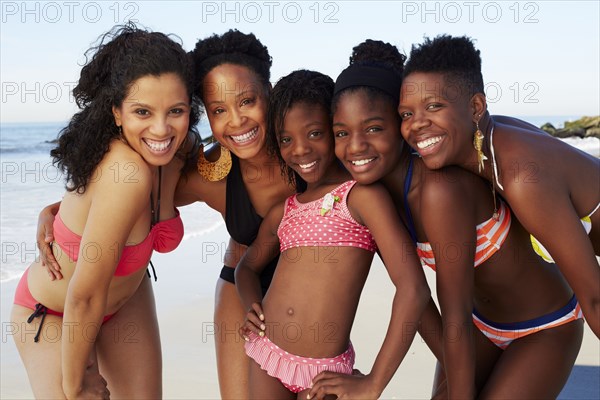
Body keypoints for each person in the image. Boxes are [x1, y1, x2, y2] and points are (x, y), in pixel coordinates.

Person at [312, 39, 584, 398]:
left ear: (398, 123)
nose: (356, 146)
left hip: (545, 326)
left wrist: (376, 385)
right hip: (478, 328)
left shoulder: (439, 189)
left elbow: (452, 311)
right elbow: (416, 294)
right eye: (342, 133)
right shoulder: (372, 197)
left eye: (374, 128)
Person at [36, 29, 296, 399]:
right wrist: (54, 212)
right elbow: (114, 200)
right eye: (218, 110)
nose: (236, 121)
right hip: (240, 290)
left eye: (248, 101)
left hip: (307, 289)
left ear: (270, 93)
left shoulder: (308, 150)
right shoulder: (211, 173)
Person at [12, 23, 201, 399]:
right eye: (142, 111)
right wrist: (76, 385)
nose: (161, 129)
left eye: (175, 110)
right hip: (57, 313)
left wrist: (52, 210)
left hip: (124, 300)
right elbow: (83, 297)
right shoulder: (127, 174)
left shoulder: (179, 149)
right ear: (116, 112)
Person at [235, 69, 430, 399]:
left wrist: (374, 382)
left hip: (324, 373)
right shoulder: (285, 210)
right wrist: (251, 304)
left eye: (314, 134)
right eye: (286, 139)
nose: (300, 150)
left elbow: (413, 289)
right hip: (266, 354)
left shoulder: (361, 197)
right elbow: (247, 267)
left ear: (335, 129)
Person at [398, 35, 600, 340]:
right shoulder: (495, 133)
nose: (416, 124)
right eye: (406, 114)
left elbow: (595, 298)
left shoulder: (521, 177)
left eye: (434, 106)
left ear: (476, 106)